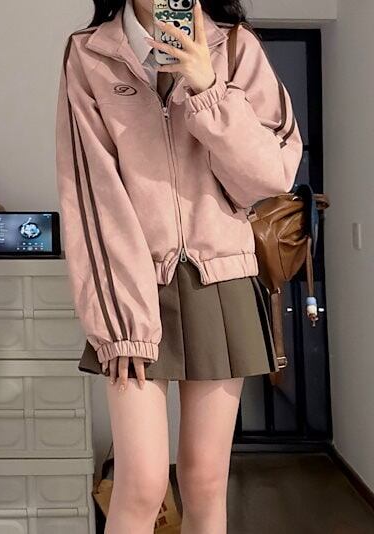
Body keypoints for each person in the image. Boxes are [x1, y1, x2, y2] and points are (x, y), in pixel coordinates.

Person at [55, 0, 303, 532]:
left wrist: (208, 86)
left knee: (205, 482)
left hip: (223, 280)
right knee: (141, 485)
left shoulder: (235, 46)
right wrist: (120, 320)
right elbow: (91, 193)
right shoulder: (90, 52)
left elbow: (271, 176)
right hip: (133, 284)